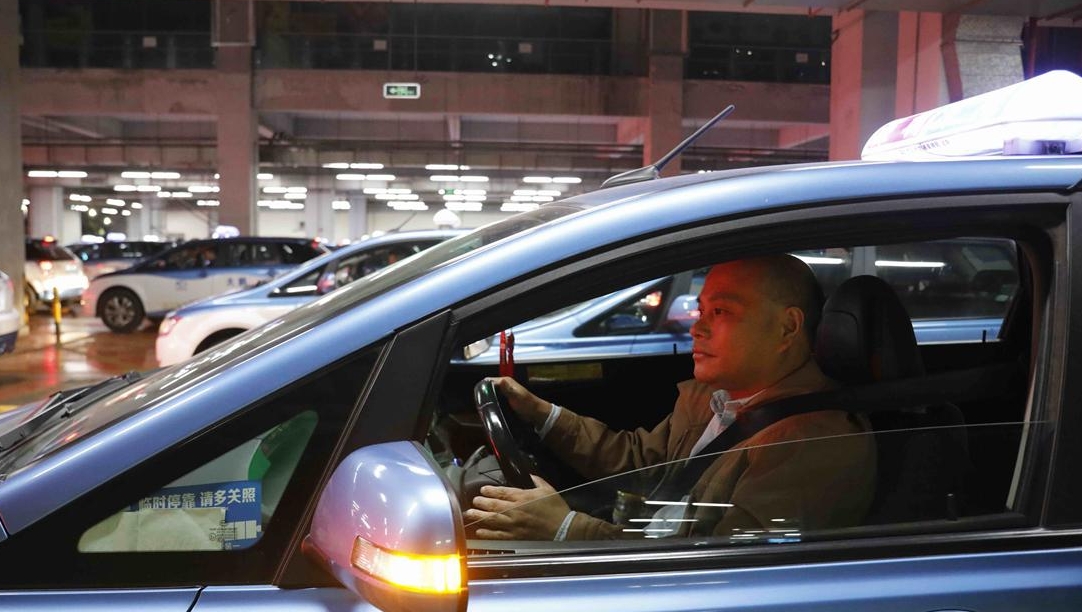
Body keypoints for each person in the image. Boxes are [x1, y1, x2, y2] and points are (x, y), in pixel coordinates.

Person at [464, 254, 877, 541]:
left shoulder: (815, 444)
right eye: (701, 310)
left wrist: (566, 529)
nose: (697, 328)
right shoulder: (716, 399)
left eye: (721, 312)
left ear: (787, 328)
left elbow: (720, 570)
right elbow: (644, 464)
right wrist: (543, 414)